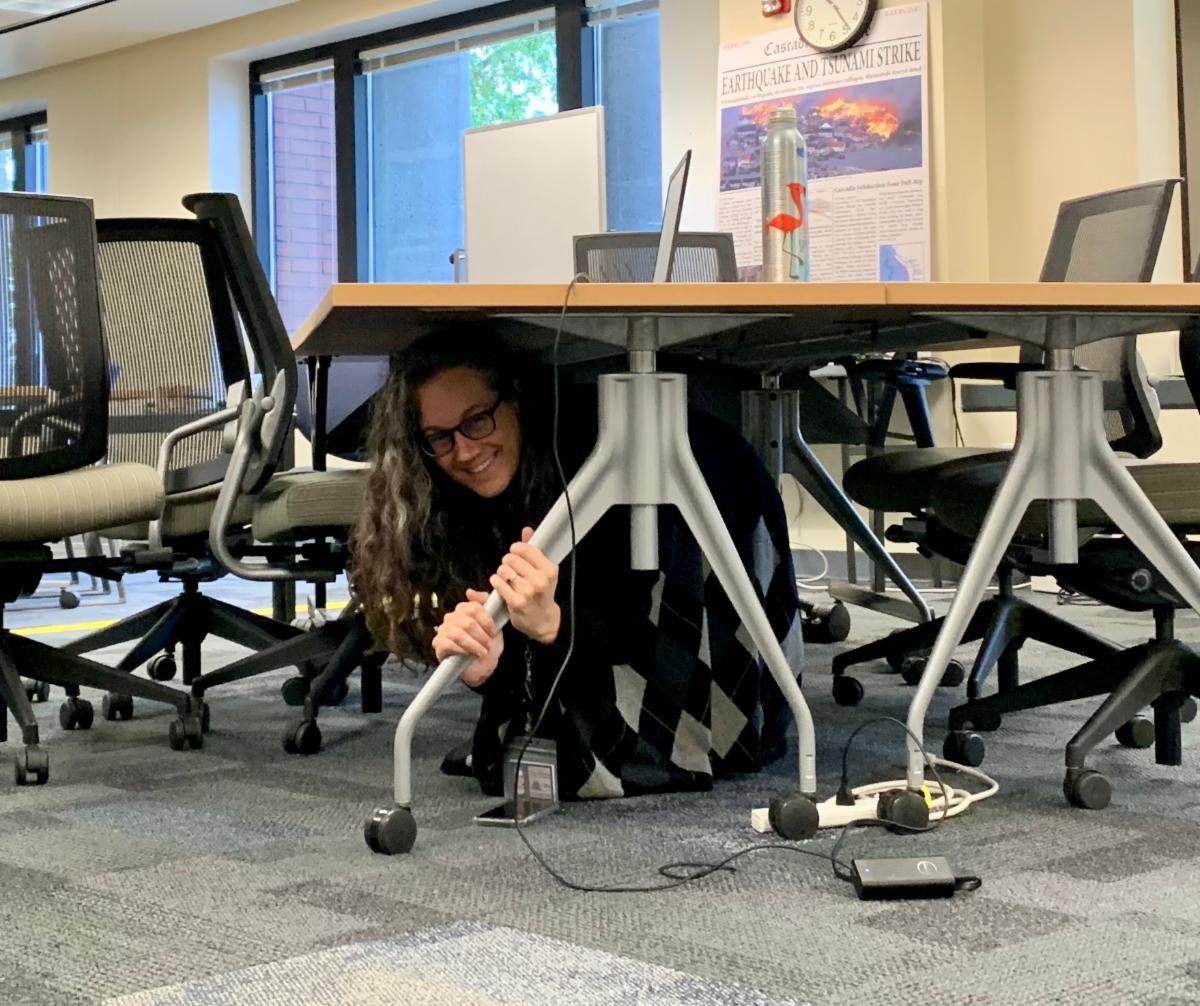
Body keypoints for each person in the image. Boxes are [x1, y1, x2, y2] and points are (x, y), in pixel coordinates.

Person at [351, 325, 801, 799]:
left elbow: (633, 627)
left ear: (516, 401)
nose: (463, 451)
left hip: (699, 534)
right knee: (536, 731)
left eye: (477, 420)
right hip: (605, 607)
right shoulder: (449, 491)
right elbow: (525, 648)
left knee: (615, 745)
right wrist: (486, 668)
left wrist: (554, 626)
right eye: (438, 437)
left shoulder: (595, 462)